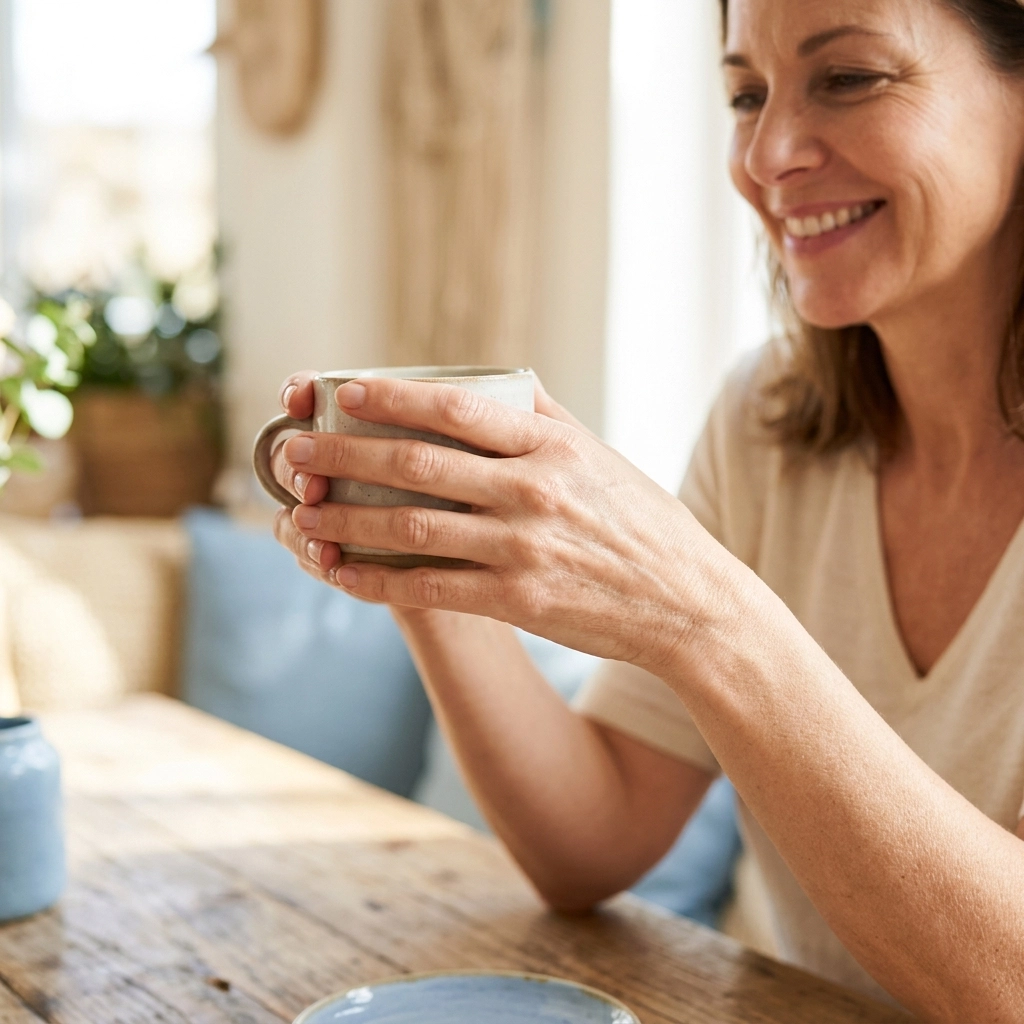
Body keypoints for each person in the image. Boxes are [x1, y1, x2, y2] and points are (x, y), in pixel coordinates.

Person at [269, 0, 1024, 1017]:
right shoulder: (766, 424)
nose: (767, 154)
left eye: (847, 79)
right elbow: (592, 839)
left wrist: (703, 617)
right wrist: (419, 546)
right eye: (743, 95)